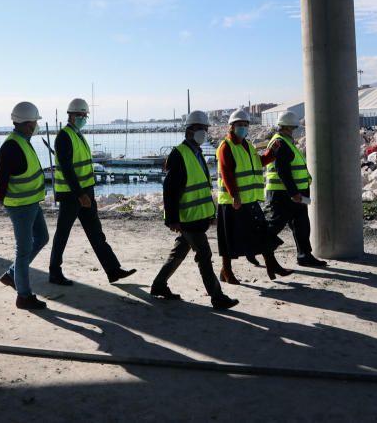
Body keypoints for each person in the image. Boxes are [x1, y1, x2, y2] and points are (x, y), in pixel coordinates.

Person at [150, 110, 238, 310]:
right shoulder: (179, 154)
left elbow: (202, 187)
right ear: (190, 131)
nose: (204, 133)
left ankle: (158, 284)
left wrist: (209, 214)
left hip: (197, 217)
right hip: (187, 218)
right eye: (201, 129)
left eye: (205, 129)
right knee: (204, 256)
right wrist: (171, 219)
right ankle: (217, 296)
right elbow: (170, 190)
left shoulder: (197, 153)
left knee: (178, 253)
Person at [48, 98, 136, 286]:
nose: (84, 118)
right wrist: (80, 194)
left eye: (85, 116)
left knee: (96, 233)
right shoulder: (64, 137)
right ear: (72, 115)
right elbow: (68, 169)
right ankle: (54, 272)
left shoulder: (77, 135)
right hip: (72, 195)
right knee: (62, 234)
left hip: (85, 193)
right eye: (82, 115)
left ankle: (113, 270)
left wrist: (86, 193)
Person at [215, 109, 293, 285]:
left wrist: (271, 154)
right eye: (239, 125)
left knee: (263, 233)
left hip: (249, 200)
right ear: (231, 126)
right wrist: (234, 195)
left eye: (245, 125)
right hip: (232, 202)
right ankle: (226, 270)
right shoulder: (226, 146)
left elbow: (258, 163)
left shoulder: (247, 145)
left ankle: (272, 264)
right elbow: (226, 172)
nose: (243, 128)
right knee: (229, 239)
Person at [0, 101, 50, 310]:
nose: (36, 126)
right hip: (20, 206)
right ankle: (23, 296)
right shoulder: (12, 145)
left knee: (42, 238)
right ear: (27, 124)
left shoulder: (22, 141)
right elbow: (1, 177)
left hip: (31, 202)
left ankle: (12, 274)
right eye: (34, 122)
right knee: (23, 250)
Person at [263, 111, 327, 268]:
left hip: (294, 194)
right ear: (287, 127)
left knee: (302, 226)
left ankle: (305, 255)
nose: (296, 130)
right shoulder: (280, 143)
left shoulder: (287, 141)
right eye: (294, 127)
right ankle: (255, 247)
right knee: (274, 226)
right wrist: (294, 193)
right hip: (284, 195)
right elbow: (282, 171)